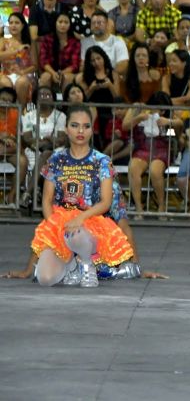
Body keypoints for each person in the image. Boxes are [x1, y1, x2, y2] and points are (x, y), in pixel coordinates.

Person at [26, 104, 134, 288]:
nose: (80, 131)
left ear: (92, 130)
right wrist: (54, 226)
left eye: (86, 126)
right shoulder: (56, 160)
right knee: (45, 278)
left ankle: (87, 264)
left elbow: (106, 202)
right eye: (75, 125)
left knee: (76, 234)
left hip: (91, 222)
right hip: (61, 223)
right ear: (66, 129)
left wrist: (81, 217)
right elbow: (46, 199)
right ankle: (73, 266)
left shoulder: (102, 161)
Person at [38, 12, 81, 91]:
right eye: (60, 22)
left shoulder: (75, 42)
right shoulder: (47, 39)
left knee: (67, 77)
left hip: (68, 72)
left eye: (66, 22)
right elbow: (43, 61)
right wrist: (53, 73)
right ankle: (44, 102)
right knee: (45, 77)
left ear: (70, 25)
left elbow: (75, 65)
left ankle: (66, 103)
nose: (63, 25)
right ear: (55, 23)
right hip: (50, 71)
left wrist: (62, 73)